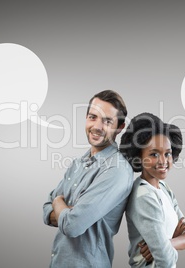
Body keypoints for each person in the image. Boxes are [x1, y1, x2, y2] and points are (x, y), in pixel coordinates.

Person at [42, 90, 134, 267]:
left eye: (107, 121)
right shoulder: (78, 163)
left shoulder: (118, 170)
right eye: (93, 117)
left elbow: (72, 225)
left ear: (120, 127)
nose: (97, 126)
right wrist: (66, 212)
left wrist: (59, 203)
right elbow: (46, 210)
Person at [120, 112, 185, 268]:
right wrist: (166, 247)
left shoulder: (163, 188)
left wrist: (167, 243)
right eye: (154, 154)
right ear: (139, 157)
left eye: (167, 153)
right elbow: (166, 260)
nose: (163, 161)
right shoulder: (143, 196)